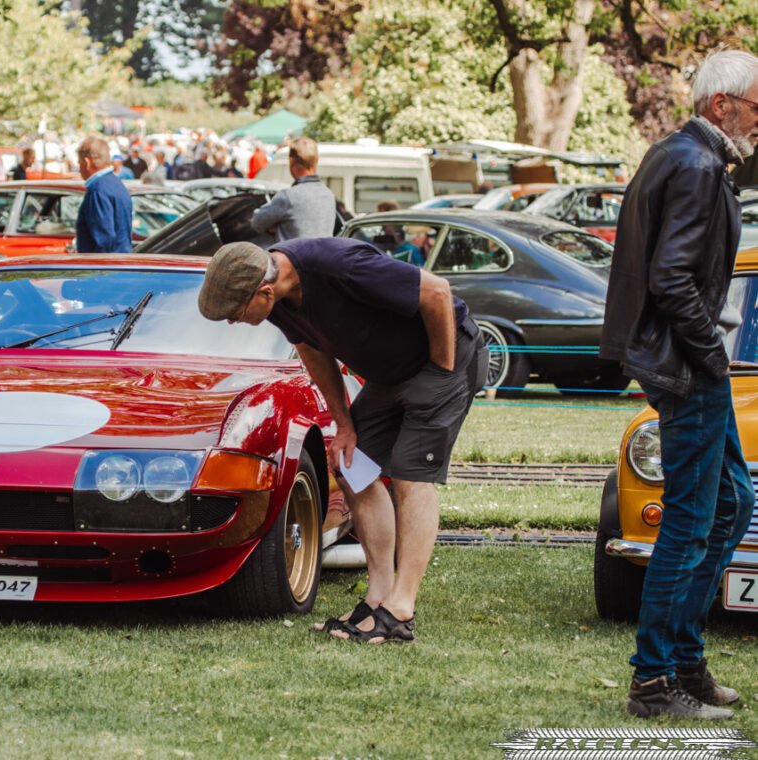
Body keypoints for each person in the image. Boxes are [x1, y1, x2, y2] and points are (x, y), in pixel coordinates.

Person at [198, 239, 486, 642]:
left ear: (263, 292)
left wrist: (440, 372)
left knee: (409, 474)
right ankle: (379, 596)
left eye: (234, 314)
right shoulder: (279, 299)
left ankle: (400, 611)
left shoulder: (339, 265)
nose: (233, 322)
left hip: (446, 358)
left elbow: (436, 292)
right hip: (392, 375)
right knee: (353, 468)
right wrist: (344, 425)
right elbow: (313, 353)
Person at [600, 49, 758, 720]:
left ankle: (684, 663)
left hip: (682, 364)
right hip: (687, 366)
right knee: (693, 522)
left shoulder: (686, 157)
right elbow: (671, 280)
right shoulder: (694, 165)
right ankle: (655, 682)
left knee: (732, 503)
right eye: (757, 105)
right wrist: (714, 359)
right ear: (721, 105)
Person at [250, 137, 336, 242]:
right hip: (324, 258)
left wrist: (277, 226)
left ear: (292, 161)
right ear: (316, 161)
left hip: (294, 258)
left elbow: (257, 222)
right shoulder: (328, 195)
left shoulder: (288, 197)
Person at [75, 136, 133, 253]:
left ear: (87, 162)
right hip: (120, 262)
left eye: (79, 163)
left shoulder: (98, 190)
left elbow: (104, 241)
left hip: (105, 267)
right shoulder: (116, 183)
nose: (79, 168)